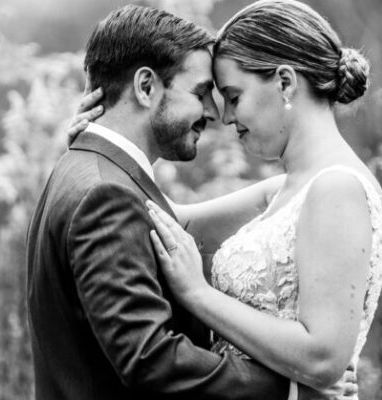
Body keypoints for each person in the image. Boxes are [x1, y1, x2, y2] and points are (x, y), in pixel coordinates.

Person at [67, 1, 382, 399]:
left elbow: (323, 359)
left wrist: (200, 295)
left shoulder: (337, 189)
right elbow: (159, 220)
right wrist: (103, 144)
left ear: (285, 83)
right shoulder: (286, 190)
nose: (225, 117)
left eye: (234, 97)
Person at [25, 5, 297, 400]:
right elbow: (149, 358)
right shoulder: (106, 194)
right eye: (200, 93)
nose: (213, 112)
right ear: (146, 87)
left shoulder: (87, 170)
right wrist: (286, 388)